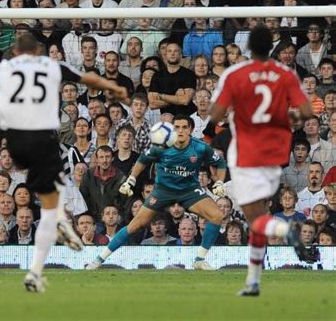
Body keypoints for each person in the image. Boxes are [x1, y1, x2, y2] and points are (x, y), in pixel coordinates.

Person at [0, 32, 128, 293]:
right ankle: (43, 254)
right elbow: (87, 78)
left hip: (15, 141)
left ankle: (52, 236)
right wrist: (113, 88)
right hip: (43, 138)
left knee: (48, 193)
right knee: (52, 199)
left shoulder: (4, 67)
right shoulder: (51, 66)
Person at [209, 26, 315, 297]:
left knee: (254, 219)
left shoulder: (235, 74)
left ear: (248, 48)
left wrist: (233, 107)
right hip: (274, 154)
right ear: (271, 47)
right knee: (257, 216)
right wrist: (290, 120)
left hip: (246, 153)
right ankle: (254, 281)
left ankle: (286, 229)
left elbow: (216, 112)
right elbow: (305, 110)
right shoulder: (285, 74)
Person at [86, 114, 227, 270]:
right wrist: (131, 179)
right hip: (163, 191)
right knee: (135, 225)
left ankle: (199, 259)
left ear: (191, 130)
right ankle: (99, 259)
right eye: (177, 127)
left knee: (217, 216)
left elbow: (220, 162)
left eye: (184, 127)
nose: (180, 131)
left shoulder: (200, 147)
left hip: (189, 190)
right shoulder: (161, 146)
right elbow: (142, 160)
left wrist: (219, 181)